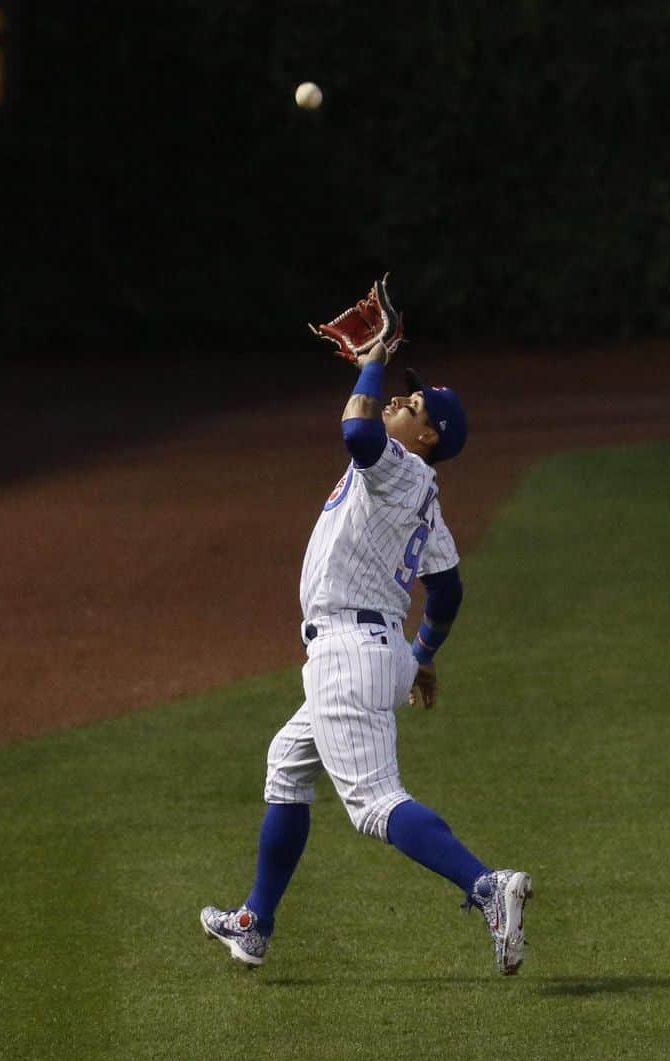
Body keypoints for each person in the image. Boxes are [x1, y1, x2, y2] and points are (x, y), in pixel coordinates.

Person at [200, 341, 532, 975]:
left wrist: (371, 363)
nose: (397, 404)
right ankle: (255, 924)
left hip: (348, 653)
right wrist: (422, 657)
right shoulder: (425, 499)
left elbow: (355, 427)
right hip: (374, 650)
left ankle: (487, 884)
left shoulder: (400, 469)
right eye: (401, 396)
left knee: (375, 803)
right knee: (287, 767)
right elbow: (448, 589)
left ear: (428, 436)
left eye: (411, 406)